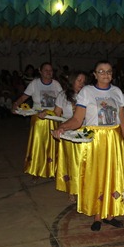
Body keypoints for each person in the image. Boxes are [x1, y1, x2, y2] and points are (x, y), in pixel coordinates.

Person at [53, 60, 124, 230]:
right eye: (101, 71)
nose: (106, 74)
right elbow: (77, 119)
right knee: (97, 175)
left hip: (114, 140)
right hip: (95, 140)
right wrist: (62, 127)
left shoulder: (117, 92)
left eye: (109, 71)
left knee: (114, 174)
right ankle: (98, 215)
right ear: (95, 74)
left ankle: (111, 213)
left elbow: (122, 121)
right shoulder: (87, 91)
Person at [12, 62, 63, 179]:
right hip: (38, 119)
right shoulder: (34, 84)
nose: (48, 72)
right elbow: (24, 97)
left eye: (50, 70)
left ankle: (52, 170)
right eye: (46, 70)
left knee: (53, 144)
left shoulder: (56, 84)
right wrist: (15, 104)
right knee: (38, 145)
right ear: (40, 71)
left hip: (53, 118)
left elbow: (63, 99)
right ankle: (36, 170)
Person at [51, 71, 87, 200]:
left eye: (84, 81)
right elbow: (56, 113)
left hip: (84, 133)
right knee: (71, 162)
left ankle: (84, 188)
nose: (82, 84)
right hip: (67, 132)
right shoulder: (63, 95)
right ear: (72, 81)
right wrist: (46, 113)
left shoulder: (87, 94)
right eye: (79, 80)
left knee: (83, 162)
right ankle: (72, 189)